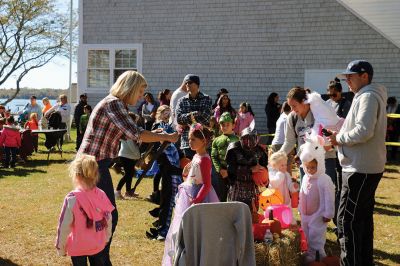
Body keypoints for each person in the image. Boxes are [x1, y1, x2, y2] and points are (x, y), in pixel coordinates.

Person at [77, 70, 178, 265]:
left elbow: (128, 133)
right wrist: (164, 136)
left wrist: (154, 133)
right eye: (140, 91)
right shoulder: (113, 103)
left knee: (99, 214)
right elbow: (135, 134)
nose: (141, 96)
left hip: (93, 164)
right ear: (130, 88)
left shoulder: (117, 104)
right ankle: (99, 258)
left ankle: (96, 255)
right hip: (93, 166)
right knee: (108, 215)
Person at [328, 60, 387, 266]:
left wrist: (339, 139)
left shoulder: (368, 96)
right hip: (363, 167)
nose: (347, 81)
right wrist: (340, 136)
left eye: (350, 76)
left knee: (347, 221)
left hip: (359, 169)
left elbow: (364, 131)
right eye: (346, 77)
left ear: (364, 76)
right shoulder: (365, 96)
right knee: (361, 221)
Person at [162, 123, 219, 266]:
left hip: (199, 198)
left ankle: (199, 256)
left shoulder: (205, 159)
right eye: (189, 139)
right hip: (189, 195)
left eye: (193, 139)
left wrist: (197, 200)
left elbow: (206, 184)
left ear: (204, 141)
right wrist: (185, 173)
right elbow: (192, 177)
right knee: (184, 226)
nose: (190, 142)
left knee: (199, 228)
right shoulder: (195, 156)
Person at [55, 154, 115, 265]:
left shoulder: (72, 198)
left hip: (78, 247)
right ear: (96, 174)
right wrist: (106, 237)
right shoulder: (101, 194)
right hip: (98, 245)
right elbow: (108, 219)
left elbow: (64, 225)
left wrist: (60, 247)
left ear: (76, 175)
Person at [279, 87, 337, 185]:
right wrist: (279, 155)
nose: (292, 109)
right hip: (306, 162)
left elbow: (331, 135)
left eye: (294, 106)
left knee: (326, 195)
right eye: (290, 106)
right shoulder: (292, 118)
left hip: (325, 160)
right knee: (307, 194)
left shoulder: (318, 113)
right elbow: (289, 142)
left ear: (304, 102)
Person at [146, 105, 183, 241]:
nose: (167, 116)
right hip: (167, 166)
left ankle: (163, 225)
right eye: (165, 113)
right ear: (159, 114)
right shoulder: (158, 126)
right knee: (168, 200)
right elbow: (158, 145)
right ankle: (163, 227)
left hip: (171, 168)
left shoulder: (169, 127)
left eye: (169, 113)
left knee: (169, 199)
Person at [298, 134, 334, 263]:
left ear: (319, 164)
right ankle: (309, 253)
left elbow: (329, 197)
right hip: (306, 214)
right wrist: (300, 208)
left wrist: (328, 213)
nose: (310, 170)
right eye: (307, 167)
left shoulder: (324, 179)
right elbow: (302, 193)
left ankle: (318, 256)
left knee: (316, 236)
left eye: (313, 167)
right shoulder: (306, 178)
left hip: (318, 214)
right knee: (307, 234)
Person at [225, 127, 268, 209]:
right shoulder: (233, 149)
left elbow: (264, 169)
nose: (249, 143)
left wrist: (264, 181)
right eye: (246, 139)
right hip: (237, 186)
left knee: (252, 215)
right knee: (235, 213)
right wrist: (249, 170)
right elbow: (231, 171)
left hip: (252, 187)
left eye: (252, 139)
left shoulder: (260, 151)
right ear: (241, 139)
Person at [176, 74, 212, 159]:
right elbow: (179, 119)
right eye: (186, 83)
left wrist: (187, 118)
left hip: (203, 141)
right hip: (187, 142)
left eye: (190, 82)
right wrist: (196, 113)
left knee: (203, 168)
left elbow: (205, 118)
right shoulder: (181, 100)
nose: (187, 85)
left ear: (197, 84)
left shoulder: (206, 98)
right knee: (189, 170)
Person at [211, 112, 239, 202]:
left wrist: (231, 171)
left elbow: (239, 156)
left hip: (234, 172)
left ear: (233, 125)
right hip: (221, 173)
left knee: (234, 194)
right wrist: (220, 169)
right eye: (223, 125)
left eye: (228, 124)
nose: (225, 127)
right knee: (221, 194)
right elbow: (214, 156)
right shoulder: (216, 140)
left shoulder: (238, 140)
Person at [114, 112, 141, 200]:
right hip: (126, 156)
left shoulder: (129, 129)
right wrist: (138, 156)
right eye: (135, 121)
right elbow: (131, 145)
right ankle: (117, 191)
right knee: (128, 174)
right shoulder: (127, 130)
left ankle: (128, 192)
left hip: (129, 156)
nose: (136, 123)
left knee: (130, 174)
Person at [386, 96, 400, 161]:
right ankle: (385, 156)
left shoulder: (399, 107)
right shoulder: (387, 107)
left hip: (396, 128)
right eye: (389, 104)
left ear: (394, 103)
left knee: (394, 141)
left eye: (391, 104)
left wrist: (393, 121)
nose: (390, 105)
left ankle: (393, 156)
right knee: (385, 142)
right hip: (387, 127)